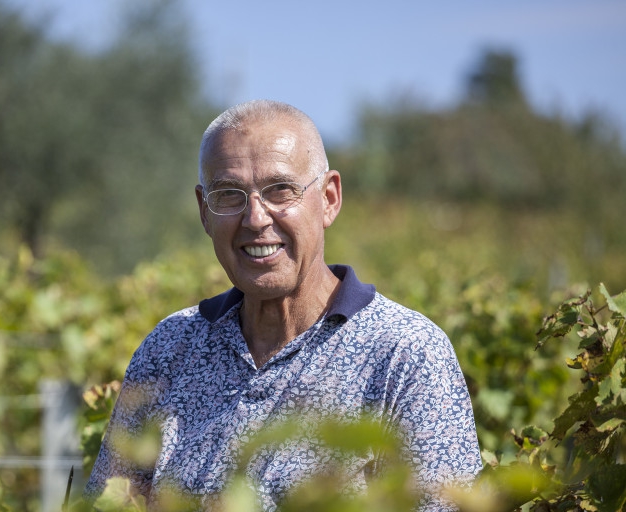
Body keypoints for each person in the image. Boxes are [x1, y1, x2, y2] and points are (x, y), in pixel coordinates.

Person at [83, 99, 482, 511]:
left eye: (280, 190)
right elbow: (108, 504)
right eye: (229, 195)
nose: (255, 218)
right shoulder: (169, 349)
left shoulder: (406, 355)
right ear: (204, 212)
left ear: (328, 198)